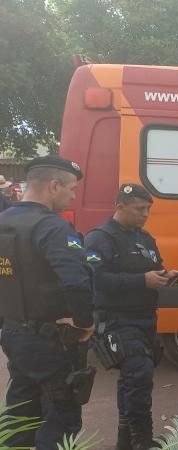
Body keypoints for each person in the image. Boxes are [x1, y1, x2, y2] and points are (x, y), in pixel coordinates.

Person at [0, 156, 95, 450]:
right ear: (54, 185)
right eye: (71, 189)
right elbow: (76, 281)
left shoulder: (4, 221)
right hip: (50, 339)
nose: (73, 196)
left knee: (20, 417)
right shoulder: (52, 227)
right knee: (61, 420)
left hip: (14, 335)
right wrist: (83, 323)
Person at [84, 183, 178, 450]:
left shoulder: (144, 238)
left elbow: (155, 268)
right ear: (119, 207)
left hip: (145, 319)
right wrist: (141, 281)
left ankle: (125, 441)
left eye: (148, 209)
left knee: (131, 380)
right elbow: (96, 277)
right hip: (117, 319)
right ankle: (142, 441)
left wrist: (165, 276)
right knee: (138, 378)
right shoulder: (98, 238)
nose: (145, 214)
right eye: (140, 209)